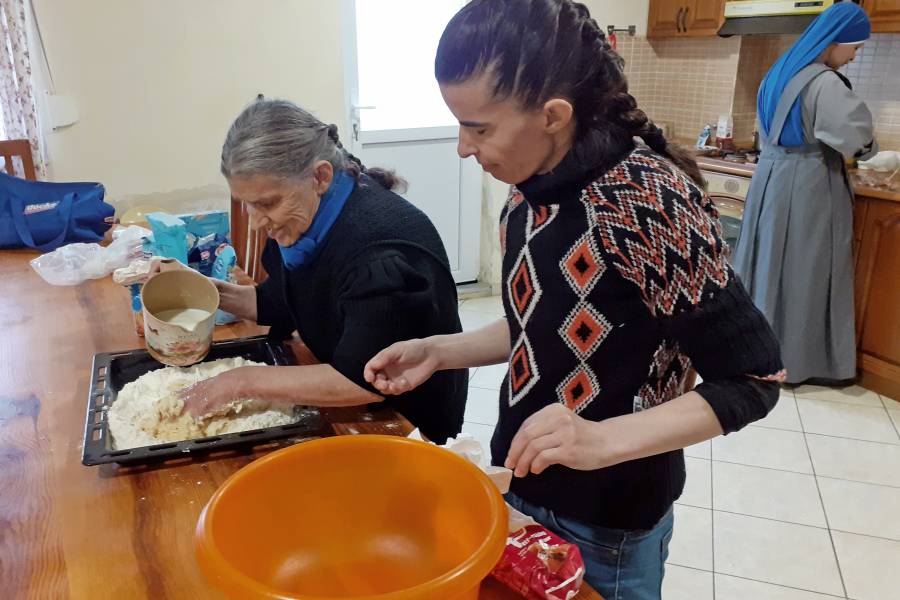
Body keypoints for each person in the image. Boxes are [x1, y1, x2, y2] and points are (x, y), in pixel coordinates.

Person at [363, 1, 784, 598]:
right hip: (526, 485)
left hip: (610, 518)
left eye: (478, 127)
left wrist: (601, 439)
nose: (463, 147)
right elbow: (545, 323)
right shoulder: (528, 195)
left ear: (554, 115)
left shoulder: (645, 202)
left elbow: (755, 377)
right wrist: (439, 350)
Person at [177, 99, 467, 444]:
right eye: (247, 204)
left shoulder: (377, 254)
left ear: (320, 176)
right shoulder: (306, 220)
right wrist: (194, 288)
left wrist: (240, 381)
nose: (254, 223)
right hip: (346, 389)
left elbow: (362, 380)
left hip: (404, 421)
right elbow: (276, 303)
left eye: (266, 203)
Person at [733, 3, 877, 386]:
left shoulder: (777, 73)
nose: (852, 57)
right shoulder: (824, 82)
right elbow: (857, 139)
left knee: (765, 264)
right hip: (809, 181)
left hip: (770, 176)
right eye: (855, 48)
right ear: (837, 41)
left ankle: (755, 352)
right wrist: (870, 150)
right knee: (805, 268)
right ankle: (796, 360)